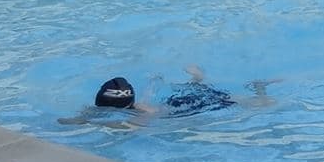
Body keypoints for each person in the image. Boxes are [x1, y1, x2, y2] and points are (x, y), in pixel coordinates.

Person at [64, 67, 269, 125]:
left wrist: (88, 122)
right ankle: (198, 78)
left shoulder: (142, 114)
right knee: (193, 90)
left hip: (194, 106)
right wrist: (81, 119)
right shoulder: (138, 106)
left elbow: (128, 129)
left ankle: (259, 86)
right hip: (178, 103)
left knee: (262, 104)